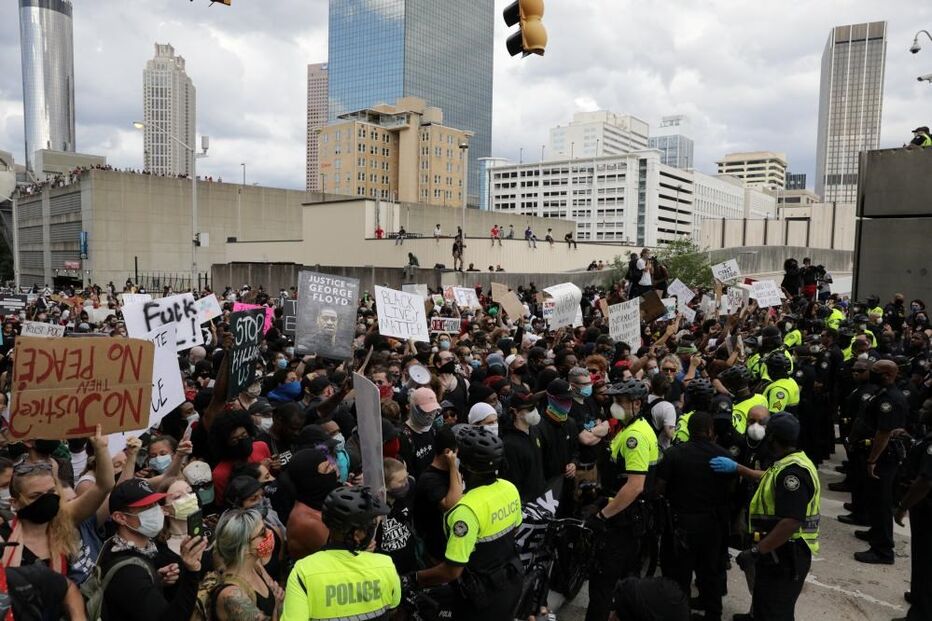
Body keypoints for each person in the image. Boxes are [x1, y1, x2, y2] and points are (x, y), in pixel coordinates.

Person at [710, 412, 821, 621]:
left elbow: (791, 522)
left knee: (775, 611)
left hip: (787, 553)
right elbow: (770, 476)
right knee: (764, 601)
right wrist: (740, 469)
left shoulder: (793, 474)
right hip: (777, 551)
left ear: (771, 438)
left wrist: (756, 551)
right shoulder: (789, 462)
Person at [411, 427, 524, 621]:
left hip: (481, 597)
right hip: (511, 581)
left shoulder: (465, 511)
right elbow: (515, 528)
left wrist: (414, 578)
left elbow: (452, 571)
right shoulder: (509, 488)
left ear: (463, 464)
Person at [585, 379, 659, 621]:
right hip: (631, 516)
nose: (614, 406)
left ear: (637, 403)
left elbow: (634, 486)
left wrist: (602, 515)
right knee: (627, 579)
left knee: (603, 582)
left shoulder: (634, 437)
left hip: (623, 519)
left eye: (620, 402)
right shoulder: (634, 427)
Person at [657, 412, 734, 621]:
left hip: (680, 526)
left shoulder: (674, 454)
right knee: (711, 574)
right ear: (711, 431)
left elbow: (660, 489)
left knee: (677, 575)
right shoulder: (725, 456)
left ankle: (678, 614)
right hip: (713, 525)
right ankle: (713, 615)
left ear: (689, 430)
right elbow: (732, 491)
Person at [281, 486, 400, 621]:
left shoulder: (302, 572)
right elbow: (393, 606)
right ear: (357, 535)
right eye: (372, 526)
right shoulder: (385, 565)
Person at [99, 479, 208, 620]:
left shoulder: (128, 548)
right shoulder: (129, 574)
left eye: (155, 503)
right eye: (146, 507)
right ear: (120, 518)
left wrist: (156, 580)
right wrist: (192, 571)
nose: (156, 510)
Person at [853, 359, 909, 565]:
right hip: (880, 454)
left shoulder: (890, 398)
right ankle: (876, 534)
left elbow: (884, 433)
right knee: (874, 499)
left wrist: (872, 459)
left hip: (885, 456)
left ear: (887, 375)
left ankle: (883, 550)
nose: (872, 373)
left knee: (882, 501)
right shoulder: (882, 392)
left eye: (876, 371)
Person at [894, 399, 932, 621]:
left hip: (927, 509)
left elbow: (925, 482)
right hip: (924, 508)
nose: (921, 410)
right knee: (921, 558)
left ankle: (921, 613)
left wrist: (902, 507)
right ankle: (919, 597)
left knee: (926, 561)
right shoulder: (925, 438)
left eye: (926, 409)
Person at [211, 508, 283, 621]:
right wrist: (277, 608)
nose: (269, 534)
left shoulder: (256, 566)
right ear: (244, 548)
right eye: (262, 532)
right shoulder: (232, 596)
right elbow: (278, 600)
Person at [412, 427, 462, 565]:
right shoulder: (429, 479)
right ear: (448, 453)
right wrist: (453, 467)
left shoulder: (450, 472)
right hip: (436, 549)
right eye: (456, 453)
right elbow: (451, 505)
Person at [284, 449, 340, 560]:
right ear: (309, 479)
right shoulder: (307, 522)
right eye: (326, 468)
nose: (334, 470)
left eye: (331, 465)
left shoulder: (318, 501)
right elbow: (338, 558)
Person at [501, 391, 546, 503]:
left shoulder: (535, 431)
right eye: (529, 409)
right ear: (515, 411)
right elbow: (513, 479)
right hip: (523, 502)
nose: (534, 412)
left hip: (540, 498)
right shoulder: (509, 444)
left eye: (534, 408)